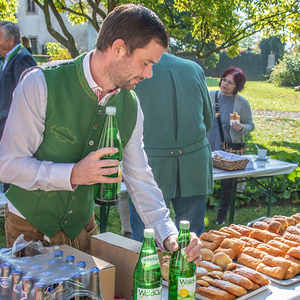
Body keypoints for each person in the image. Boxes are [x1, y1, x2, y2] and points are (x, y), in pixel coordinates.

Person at [0, 4, 202, 263]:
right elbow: (8, 165)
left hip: (83, 228)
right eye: (145, 63)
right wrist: (72, 174)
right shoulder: (40, 83)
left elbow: (140, 177)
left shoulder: (131, 105)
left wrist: (168, 234)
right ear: (118, 48)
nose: (149, 74)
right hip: (29, 228)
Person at [129, 52, 214, 242]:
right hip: (193, 163)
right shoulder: (193, 68)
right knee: (191, 241)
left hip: (150, 166)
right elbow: (208, 120)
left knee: (146, 241)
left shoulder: (135, 70)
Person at [206, 67, 255, 225]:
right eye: (224, 79)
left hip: (228, 151)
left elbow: (250, 125)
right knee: (203, 180)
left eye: (230, 82)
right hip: (206, 147)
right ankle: (199, 212)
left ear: (237, 86)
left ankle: (221, 216)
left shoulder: (242, 103)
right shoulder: (210, 96)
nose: (224, 84)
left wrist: (241, 128)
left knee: (228, 185)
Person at [0, 22, 37, 139]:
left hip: (11, 126)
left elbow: (28, 95)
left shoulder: (22, 58)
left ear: (10, 41)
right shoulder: (9, 57)